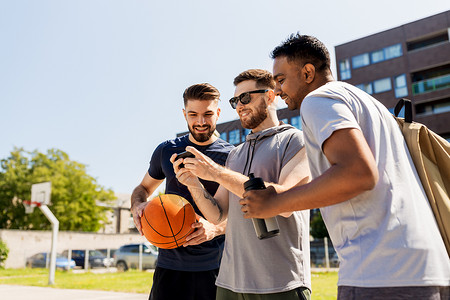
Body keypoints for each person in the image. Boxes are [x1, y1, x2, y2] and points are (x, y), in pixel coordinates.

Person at [240, 34, 450, 299]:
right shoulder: (371, 104)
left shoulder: (317, 100)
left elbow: (358, 173)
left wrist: (276, 202)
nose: (279, 91)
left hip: (380, 272)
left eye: (281, 80)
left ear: (307, 73)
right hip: (432, 267)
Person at [173, 69, 312, 300]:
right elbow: (218, 215)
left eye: (245, 98)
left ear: (270, 96)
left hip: (280, 282)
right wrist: (193, 183)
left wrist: (216, 172)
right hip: (230, 284)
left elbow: (284, 203)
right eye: (235, 100)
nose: (239, 105)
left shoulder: (296, 141)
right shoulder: (235, 155)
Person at [130, 83, 235, 300]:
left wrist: (216, 229)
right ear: (184, 113)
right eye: (193, 114)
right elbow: (142, 188)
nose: (201, 122)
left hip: (216, 266)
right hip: (169, 266)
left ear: (218, 113)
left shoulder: (233, 156)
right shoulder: (167, 150)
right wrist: (137, 205)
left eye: (208, 114)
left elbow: (244, 212)